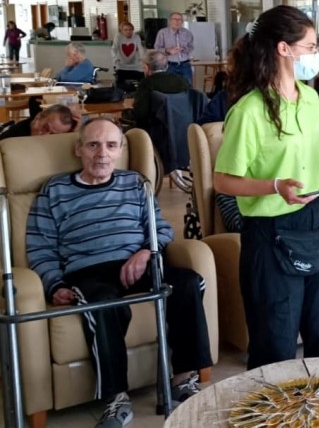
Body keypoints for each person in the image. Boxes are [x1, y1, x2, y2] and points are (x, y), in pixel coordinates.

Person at [26, 118, 213, 427]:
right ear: (78, 149)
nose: (102, 154)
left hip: (138, 262)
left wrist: (146, 252)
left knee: (188, 283)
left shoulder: (136, 183)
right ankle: (116, 398)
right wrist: (54, 284)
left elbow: (161, 229)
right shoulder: (54, 191)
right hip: (88, 270)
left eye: (111, 145)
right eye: (93, 145)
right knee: (104, 303)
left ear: (120, 150)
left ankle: (182, 380)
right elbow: (40, 247)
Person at [214, 5, 319, 369]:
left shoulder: (310, 98)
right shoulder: (249, 110)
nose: (316, 55)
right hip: (270, 232)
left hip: (318, 221)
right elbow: (223, 180)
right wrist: (275, 186)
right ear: (283, 49)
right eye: (310, 47)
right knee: (275, 340)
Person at [212, 190, 319, 360]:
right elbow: (236, 222)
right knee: (275, 341)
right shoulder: (232, 189)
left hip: (311, 237)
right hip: (274, 239)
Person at [131, 50, 190, 123]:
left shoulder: (146, 83)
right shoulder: (182, 81)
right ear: (167, 67)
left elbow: (140, 114)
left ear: (146, 67)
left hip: (155, 127)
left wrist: (125, 113)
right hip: (184, 125)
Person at [154, 12, 195, 85]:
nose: (177, 21)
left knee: (188, 87)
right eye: (175, 19)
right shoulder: (162, 32)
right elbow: (157, 48)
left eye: (179, 19)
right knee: (170, 87)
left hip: (185, 65)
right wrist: (168, 51)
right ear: (170, 21)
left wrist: (184, 49)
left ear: (182, 21)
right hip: (170, 65)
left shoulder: (188, 33)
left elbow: (191, 47)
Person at [0, 104, 78, 141]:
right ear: (38, 117)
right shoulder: (13, 136)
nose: (46, 136)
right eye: (45, 128)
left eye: (53, 135)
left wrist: (76, 132)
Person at [112, 21, 145, 88]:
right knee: (120, 82)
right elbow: (114, 49)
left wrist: (142, 58)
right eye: (125, 30)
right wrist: (115, 58)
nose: (128, 32)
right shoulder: (118, 36)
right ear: (121, 31)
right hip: (121, 64)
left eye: (130, 30)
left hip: (135, 64)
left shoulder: (136, 37)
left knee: (142, 79)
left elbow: (140, 48)